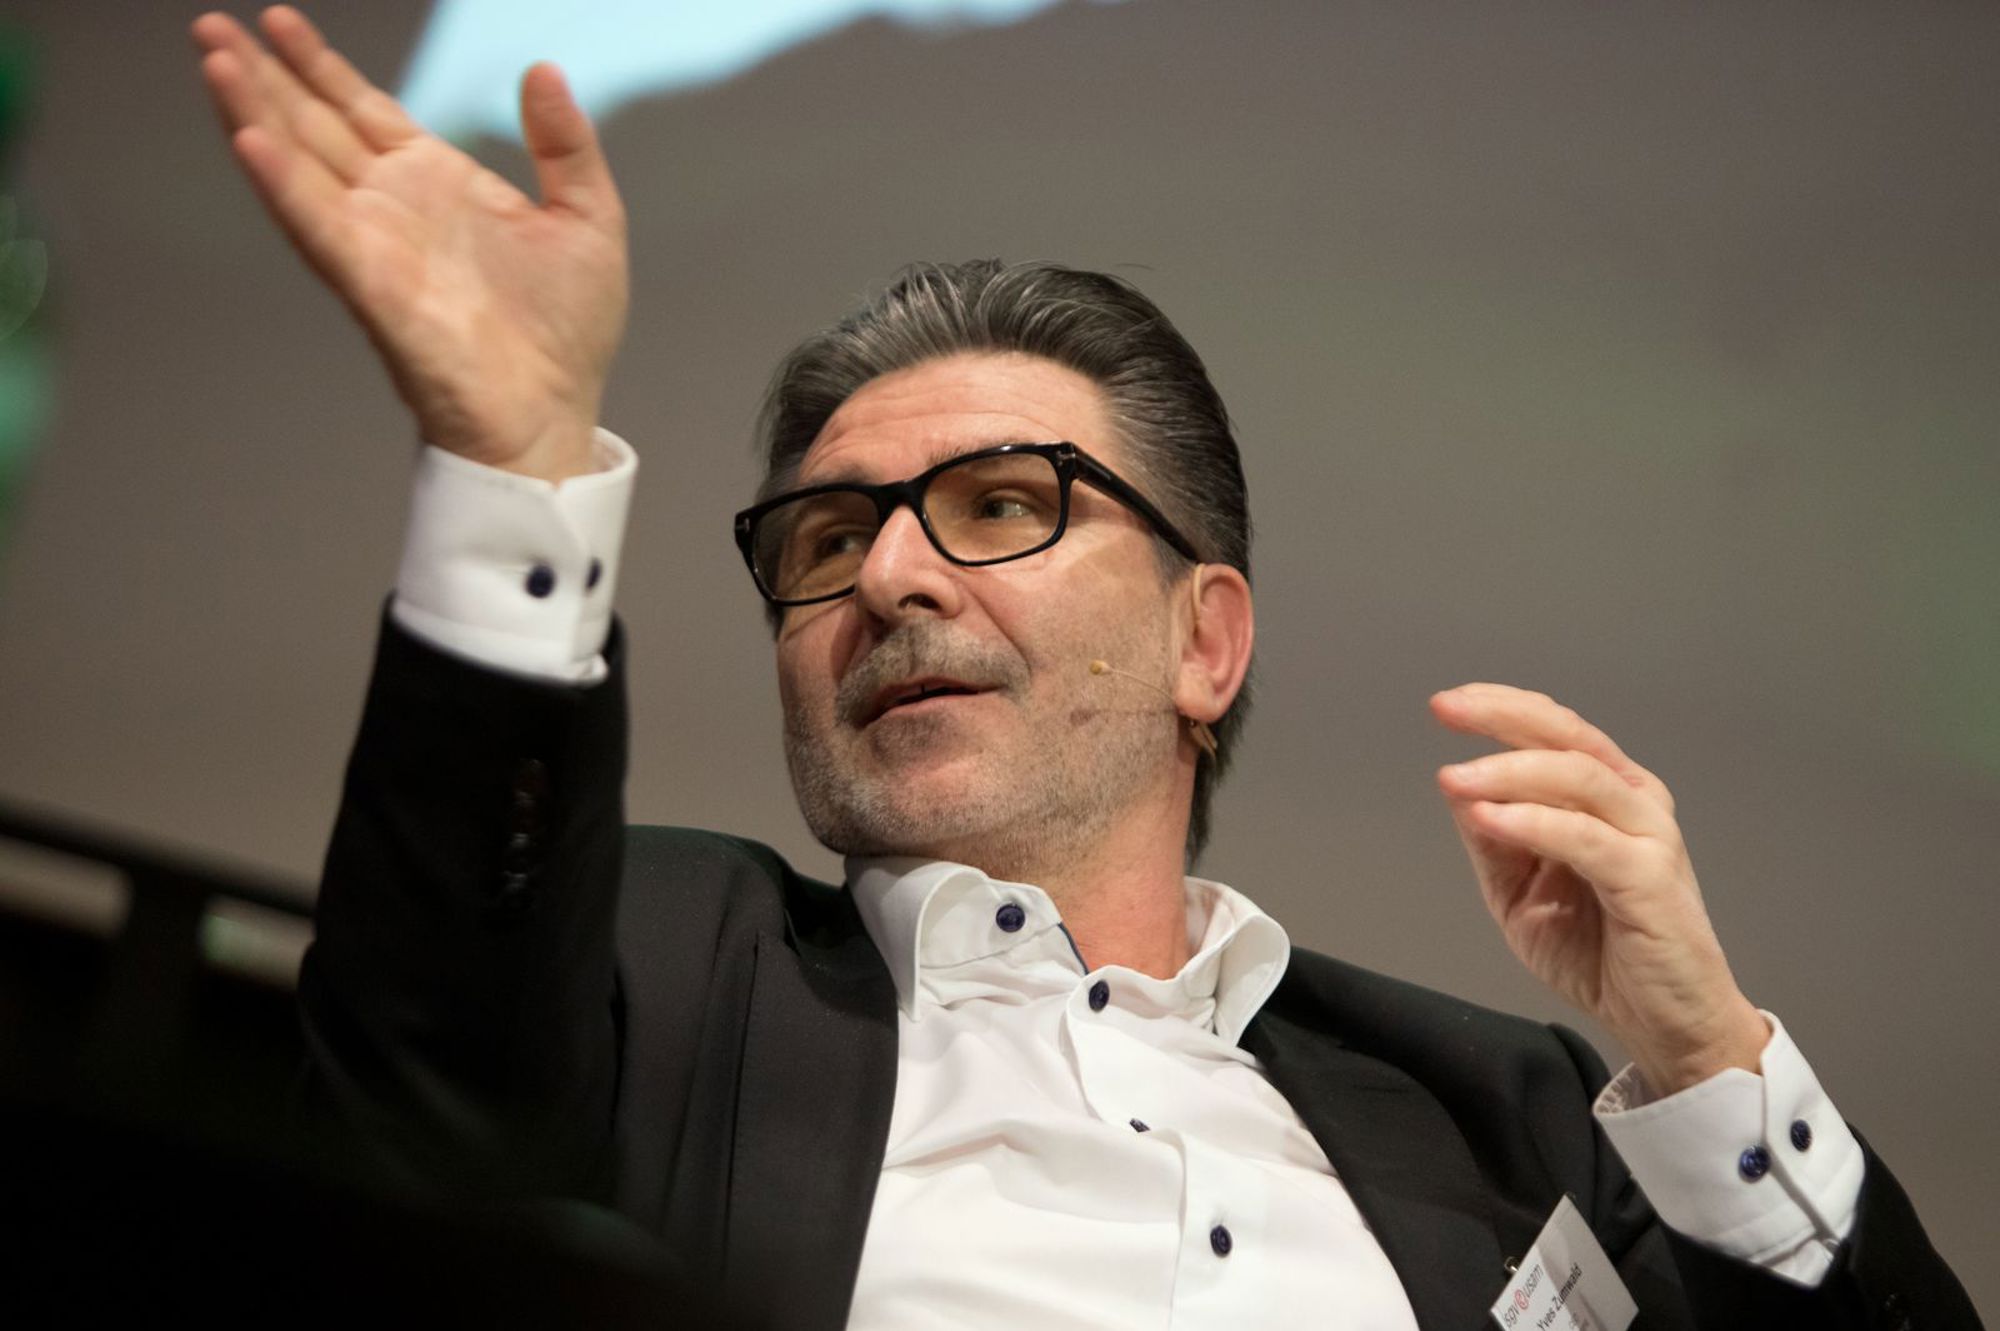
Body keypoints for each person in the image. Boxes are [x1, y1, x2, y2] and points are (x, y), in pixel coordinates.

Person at [192, 8, 1978, 1330]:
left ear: (1207, 641)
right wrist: (513, 462)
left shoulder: (1501, 1120)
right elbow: (410, 1126)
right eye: (826, 538)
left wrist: (1708, 1059)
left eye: (999, 504)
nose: (890, 573)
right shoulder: (643, 969)